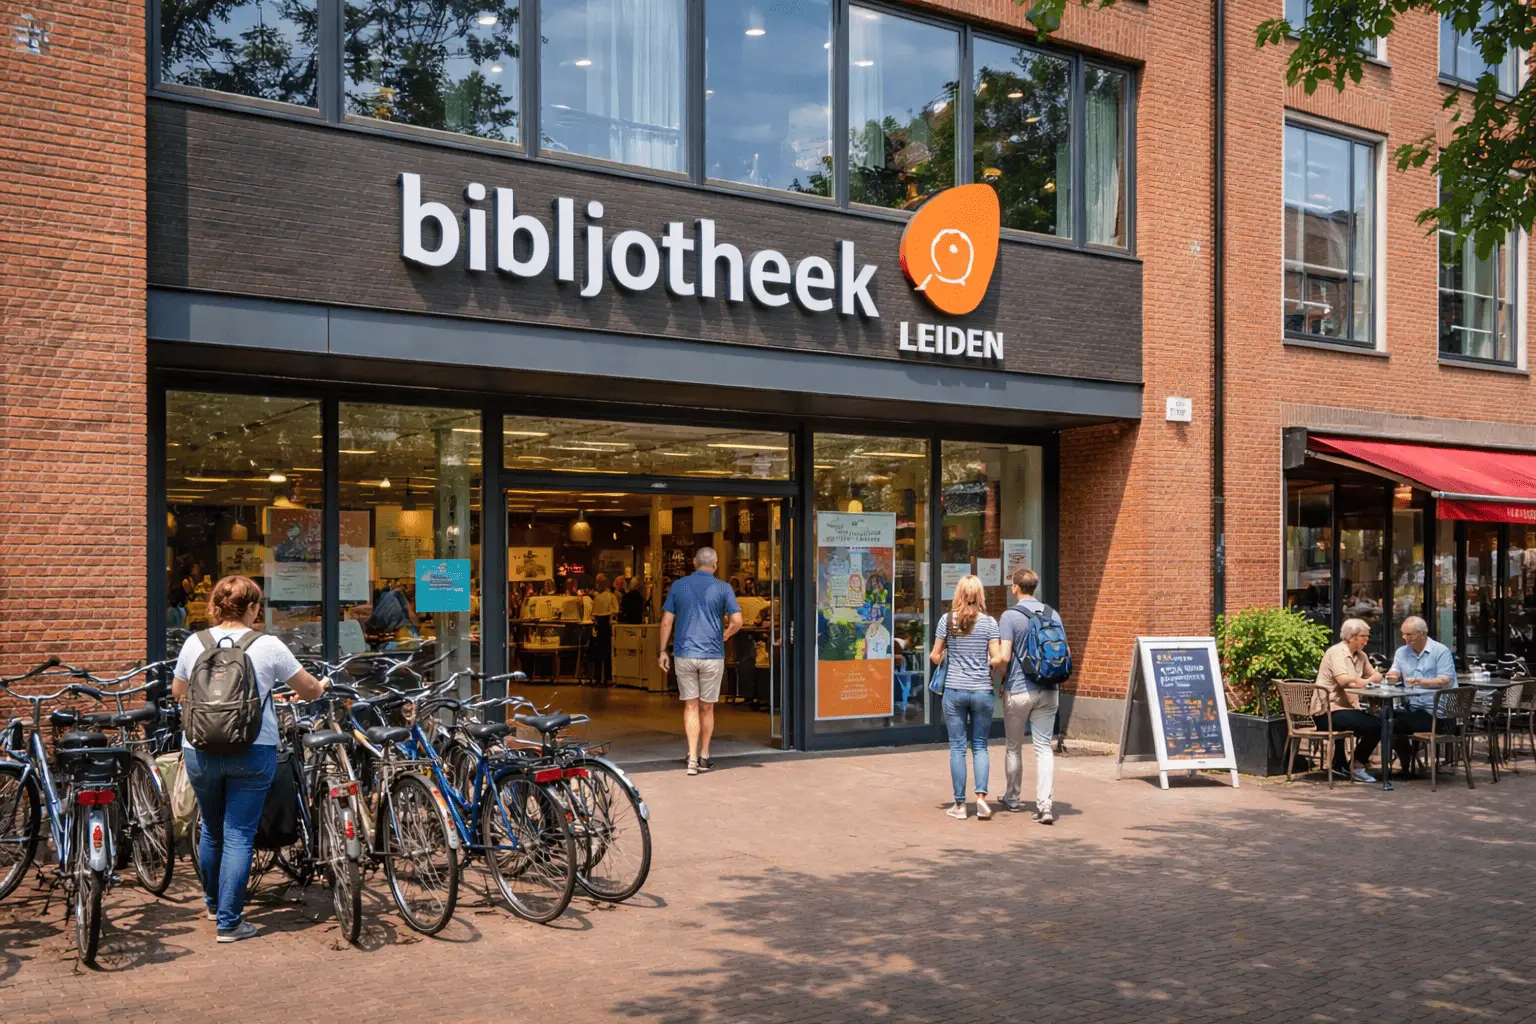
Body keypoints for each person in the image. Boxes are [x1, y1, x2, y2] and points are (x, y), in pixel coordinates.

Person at [172, 576, 328, 943]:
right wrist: (320, 687)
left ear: (215, 606)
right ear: (254, 609)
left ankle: (214, 905)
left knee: (211, 829)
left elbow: (179, 692)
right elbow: (306, 690)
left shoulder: (194, 643)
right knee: (239, 834)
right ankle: (230, 921)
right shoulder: (268, 645)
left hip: (201, 748)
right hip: (253, 748)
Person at [658, 547, 742, 775]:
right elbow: (737, 620)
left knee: (691, 706)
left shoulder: (678, 586)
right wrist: (725, 634)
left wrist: (663, 650)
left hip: (684, 653)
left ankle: (692, 759)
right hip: (712, 655)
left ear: (694, 562)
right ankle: (704, 754)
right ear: (715, 564)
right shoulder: (724, 588)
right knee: (707, 707)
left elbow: (666, 621)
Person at [929, 574, 1001, 820]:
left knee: (958, 747)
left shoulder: (946, 621)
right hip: (982, 690)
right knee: (980, 745)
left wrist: (948, 653)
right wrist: (989, 664)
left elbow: (934, 656)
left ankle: (959, 805)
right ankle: (981, 798)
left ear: (958, 594)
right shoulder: (990, 623)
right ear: (980, 596)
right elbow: (997, 657)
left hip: (954, 690)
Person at [994, 567, 1061, 824]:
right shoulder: (1052, 613)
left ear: (1015, 587)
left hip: (1020, 689)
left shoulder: (1009, 616)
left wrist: (999, 672)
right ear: (1036, 587)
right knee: (1044, 748)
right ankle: (1045, 806)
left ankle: (1012, 797)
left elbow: (1006, 656)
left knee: (1013, 747)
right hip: (1049, 689)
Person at [1315, 617, 1385, 783]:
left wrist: (1368, 679)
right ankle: (1356, 765)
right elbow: (1344, 680)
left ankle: (1340, 764)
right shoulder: (1336, 652)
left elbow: (1377, 675)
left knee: (1377, 720)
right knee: (1375, 725)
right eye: (1364, 636)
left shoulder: (1361, 656)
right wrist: (1367, 681)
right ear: (1352, 636)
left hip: (1347, 708)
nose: (1367, 640)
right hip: (1327, 712)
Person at [1385, 615, 1457, 775]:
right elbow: (1394, 671)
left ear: (1422, 634)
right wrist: (1392, 676)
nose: (1405, 638)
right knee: (1382, 716)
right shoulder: (1401, 652)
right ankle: (1405, 755)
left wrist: (1420, 681)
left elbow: (1446, 680)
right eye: (1403, 634)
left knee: (1390, 722)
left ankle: (1404, 758)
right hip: (1414, 710)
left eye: (1409, 635)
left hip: (1440, 716)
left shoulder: (1440, 651)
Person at [590, 573, 618, 685]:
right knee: (603, 652)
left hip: (603, 623)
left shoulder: (601, 597)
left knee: (601, 651)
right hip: (604, 623)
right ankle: (605, 677)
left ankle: (601, 677)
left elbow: (593, 613)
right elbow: (615, 610)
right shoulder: (608, 596)